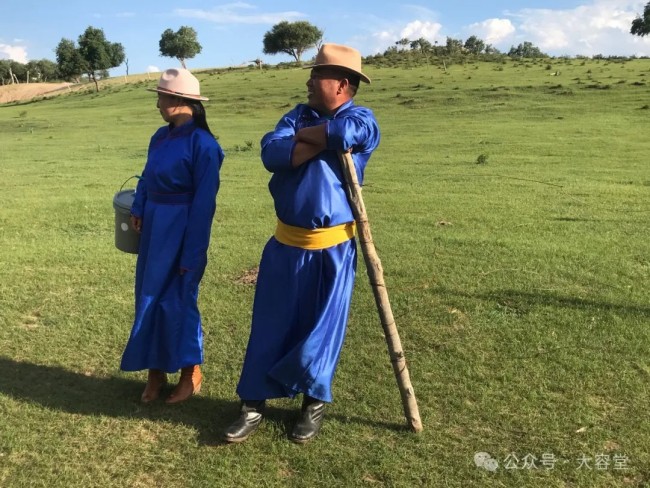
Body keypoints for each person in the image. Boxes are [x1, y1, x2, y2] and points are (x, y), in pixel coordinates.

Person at [223, 44, 380, 443]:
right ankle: (253, 405)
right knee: (270, 326)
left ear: (342, 85)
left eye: (318, 76)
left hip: (333, 250)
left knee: (320, 331)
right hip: (285, 245)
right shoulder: (296, 114)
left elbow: (346, 133)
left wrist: (305, 141)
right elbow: (271, 151)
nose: (309, 82)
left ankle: (312, 405)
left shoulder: (362, 118)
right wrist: (319, 139)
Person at [120, 68, 224, 404]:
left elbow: (204, 205)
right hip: (154, 228)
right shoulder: (159, 138)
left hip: (183, 229)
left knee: (179, 301)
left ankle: (189, 373)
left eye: (162, 97)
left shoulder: (204, 145)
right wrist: (139, 207)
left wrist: (192, 253)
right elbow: (147, 177)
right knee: (149, 298)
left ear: (180, 101)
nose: (158, 105)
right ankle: (155, 373)